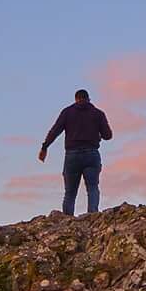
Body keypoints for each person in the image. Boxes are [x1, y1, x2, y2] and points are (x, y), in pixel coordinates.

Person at [38, 88, 113, 216]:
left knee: (70, 192)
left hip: (72, 155)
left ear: (76, 99)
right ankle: (92, 215)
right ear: (88, 99)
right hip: (91, 154)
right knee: (92, 187)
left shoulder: (67, 112)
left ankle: (67, 219)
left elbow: (55, 130)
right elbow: (108, 135)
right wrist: (97, 134)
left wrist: (45, 147)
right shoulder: (98, 113)